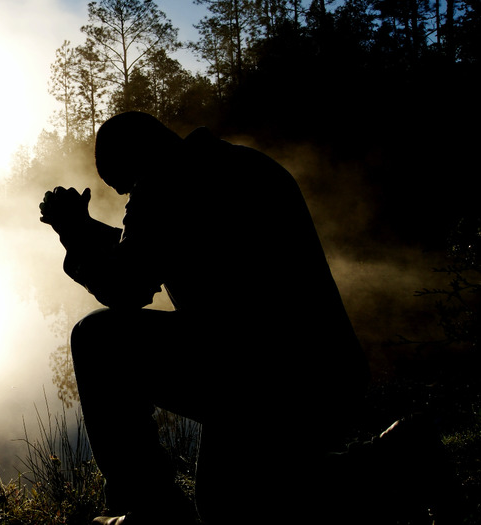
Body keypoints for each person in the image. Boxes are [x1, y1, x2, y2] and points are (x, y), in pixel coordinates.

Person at [39, 112, 372, 524]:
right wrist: (87, 228)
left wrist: (73, 234)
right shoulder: (240, 164)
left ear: (138, 157)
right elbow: (152, 245)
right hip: (327, 374)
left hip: (259, 376)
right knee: (227, 504)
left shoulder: (164, 184)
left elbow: (127, 287)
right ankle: (389, 461)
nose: (129, 199)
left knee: (97, 339)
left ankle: (149, 511)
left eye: (128, 187)